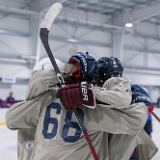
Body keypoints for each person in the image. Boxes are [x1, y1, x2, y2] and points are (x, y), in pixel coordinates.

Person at [5, 51, 152, 160]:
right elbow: (133, 121)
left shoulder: (43, 101)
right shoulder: (89, 107)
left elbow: (11, 119)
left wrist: (69, 68)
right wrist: (140, 103)